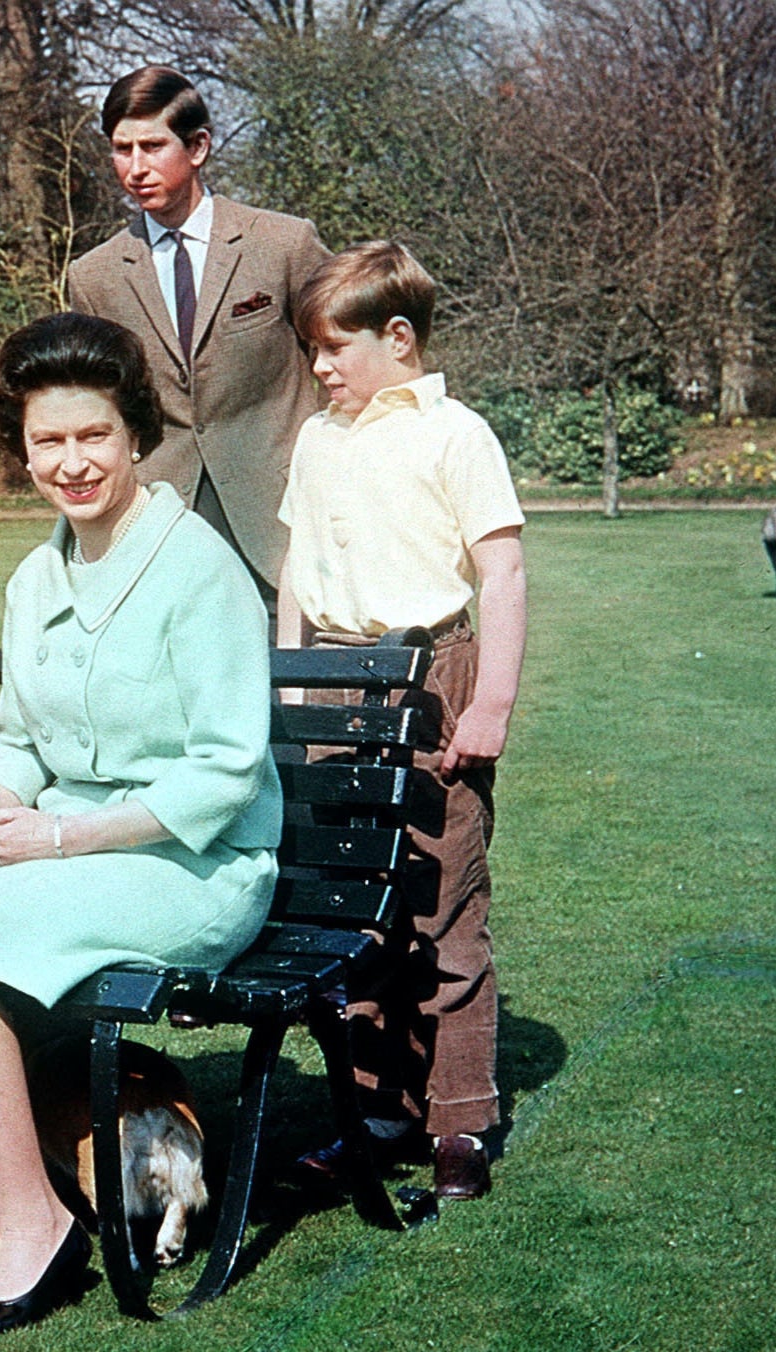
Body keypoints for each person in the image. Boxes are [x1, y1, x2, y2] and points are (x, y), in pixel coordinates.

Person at [0, 312, 282, 1343]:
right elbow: (24, 734)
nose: (70, 463)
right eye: (47, 442)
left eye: (91, 436)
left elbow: (222, 777)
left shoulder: (196, 568)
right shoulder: (39, 578)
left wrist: (59, 840)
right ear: (21, 449)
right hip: (66, 850)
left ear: (134, 436)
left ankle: (36, 1215)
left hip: (195, 866)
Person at [276, 240, 528, 1201]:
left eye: (334, 348)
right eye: (311, 350)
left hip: (431, 676)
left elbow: (500, 572)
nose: (320, 368)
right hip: (335, 679)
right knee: (356, 909)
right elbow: (296, 572)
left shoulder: (455, 434)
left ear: (398, 337)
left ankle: (460, 1117)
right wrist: (295, 693)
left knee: (440, 906)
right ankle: (378, 1109)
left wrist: (490, 704)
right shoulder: (316, 438)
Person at [66, 65, 330, 599]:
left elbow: (345, 359)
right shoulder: (93, 277)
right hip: (161, 528)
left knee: (296, 682)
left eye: (152, 146)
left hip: (285, 521)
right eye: (122, 149)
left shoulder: (283, 244)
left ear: (198, 147)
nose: (135, 167)